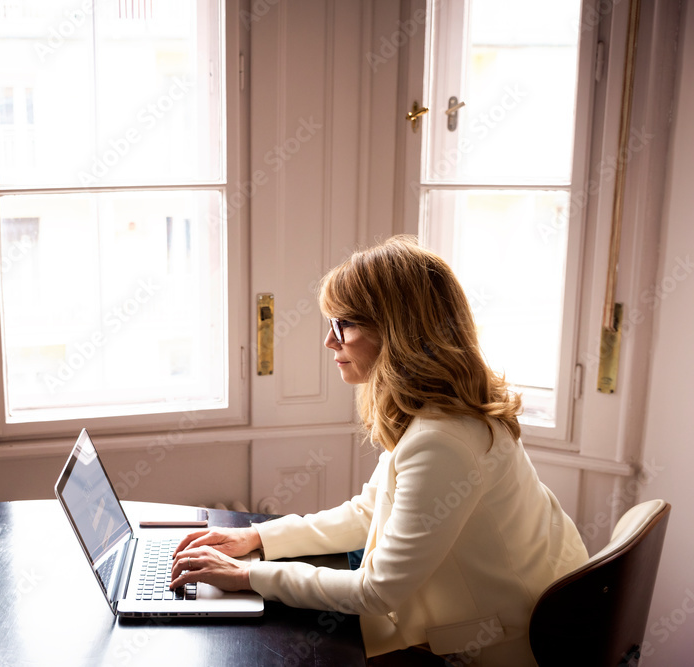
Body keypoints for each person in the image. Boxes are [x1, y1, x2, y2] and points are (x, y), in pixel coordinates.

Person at [170, 235, 588, 666]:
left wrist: (248, 575)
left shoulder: (442, 441)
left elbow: (377, 591)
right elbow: (369, 512)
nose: (331, 343)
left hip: (500, 648)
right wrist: (256, 537)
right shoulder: (440, 408)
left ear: (398, 333)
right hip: (527, 617)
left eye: (343, 325)